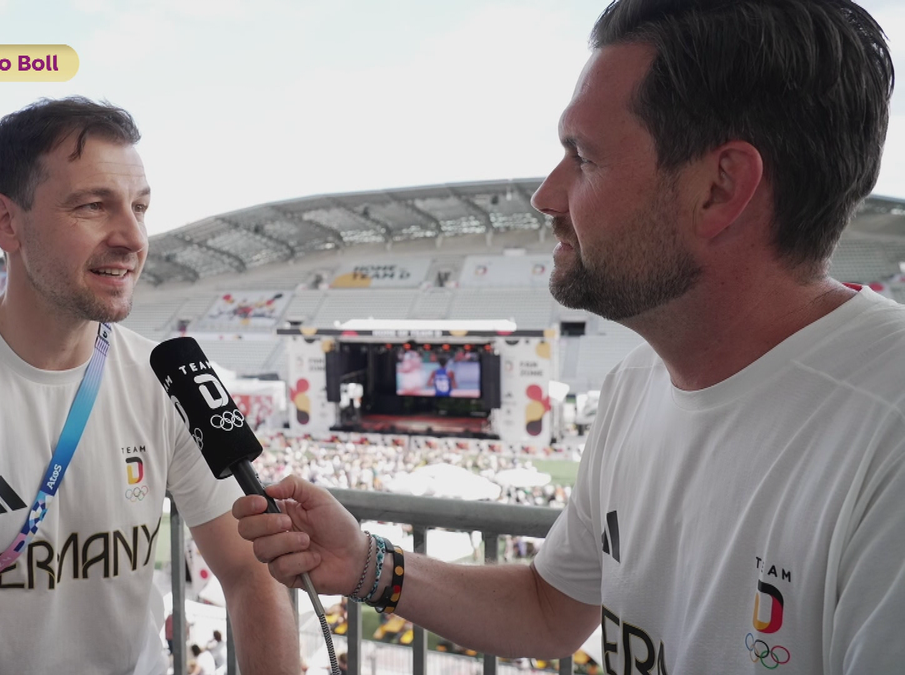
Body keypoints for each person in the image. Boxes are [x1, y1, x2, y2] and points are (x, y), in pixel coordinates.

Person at [234, 1, 902, 672]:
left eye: (583, 159)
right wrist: (364, 564)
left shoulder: (886, 434)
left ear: (719, 187)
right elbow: (551, 610)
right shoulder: (634, 387)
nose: (547, 196)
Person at [0, 97, 298, 674]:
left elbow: (254, 570)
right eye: (94, 206)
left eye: (140, 207)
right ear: (6, 222)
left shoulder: (168, 380)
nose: (133, 237)